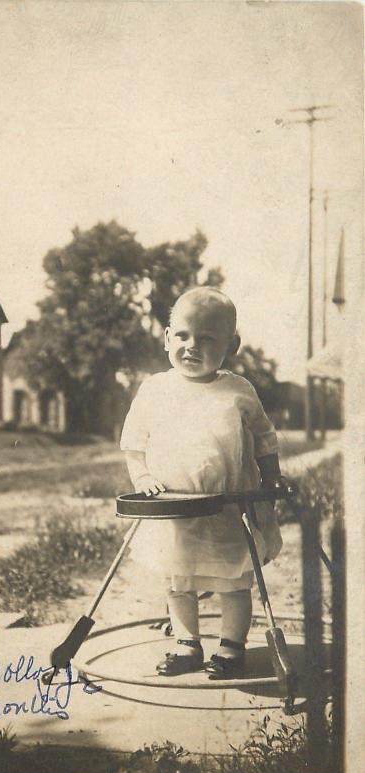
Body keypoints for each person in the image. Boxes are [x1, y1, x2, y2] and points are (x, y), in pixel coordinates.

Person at [120, 286, 284, 677]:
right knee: (178, 579)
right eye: (183, 335)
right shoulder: (155, 389)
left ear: (233, 345)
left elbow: (264, 437)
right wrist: (141, 475)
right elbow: (133, 442)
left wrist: (272, 475)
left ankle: (231, 646)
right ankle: (185, 643)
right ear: (166, 339)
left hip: (227, 507)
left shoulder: (238, 391)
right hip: (175, 509)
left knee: (234, 579)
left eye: (207, 339)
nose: (192, 346)